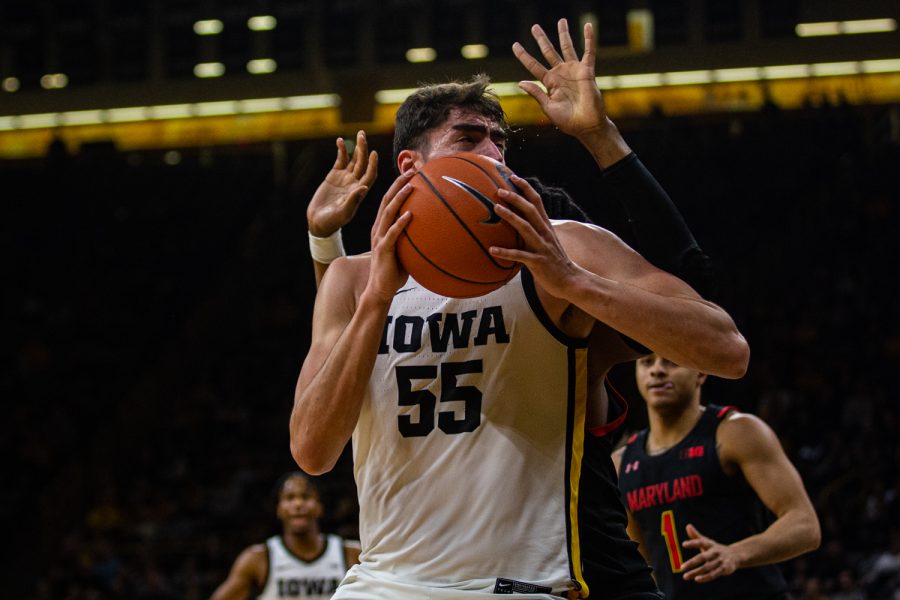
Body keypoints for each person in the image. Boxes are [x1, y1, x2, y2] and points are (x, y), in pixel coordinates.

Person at [291, 18, 749, 599]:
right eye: (468, 138)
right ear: (411, 167)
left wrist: (571, 280)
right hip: (383, 584)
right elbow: (311, 450)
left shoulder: (565, 246)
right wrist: (376, 294)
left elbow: (726, 350)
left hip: (520, 585)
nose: (492, 153)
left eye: (499, 140)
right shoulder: (352, 281)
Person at [614, 354, 821, 599]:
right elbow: (640, 563)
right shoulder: (620, 463)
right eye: (647, 362)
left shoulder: (737, 432)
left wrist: (735, 553)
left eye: (671, 361)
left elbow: (805, 525)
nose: (657, 370)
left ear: (701, 373)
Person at [210, 472, 360, 600]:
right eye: (289, 498)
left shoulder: (351, 553)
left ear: (319, 507)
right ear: (279, 509)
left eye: (306, 497)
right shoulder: (257, 559)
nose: (298, 504)